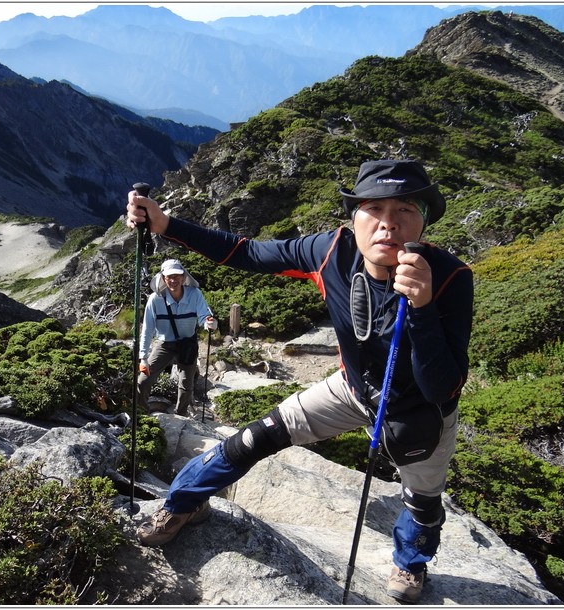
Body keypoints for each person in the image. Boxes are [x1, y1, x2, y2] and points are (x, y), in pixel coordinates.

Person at [125, 159, 473, 604]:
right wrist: (166, 224)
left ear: (423, 221)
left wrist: (422, 307)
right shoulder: (330, 251)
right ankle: (181, 505)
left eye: (405, 210)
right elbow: (247, 252)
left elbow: (442, 386)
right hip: (351, 388)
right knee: (252, 438)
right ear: (353, 219)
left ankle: (409, 565)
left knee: (422, 502)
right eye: (374, 209)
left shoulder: (450, 277)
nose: (389, 224)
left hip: (421, 409)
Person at [138, 258, 218, 417]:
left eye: (177, 276)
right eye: (169, 277)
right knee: (143, 381)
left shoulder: (194, 294)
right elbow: (147, 329)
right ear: (163, 278)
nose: (173, 280)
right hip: (164, 344)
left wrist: (210, 323)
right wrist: (143, 358)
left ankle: (181, 416)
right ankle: (142, 415)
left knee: (186, 384)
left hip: (187, 344)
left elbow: (204, 316)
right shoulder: (155, 299)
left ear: (183, 277)